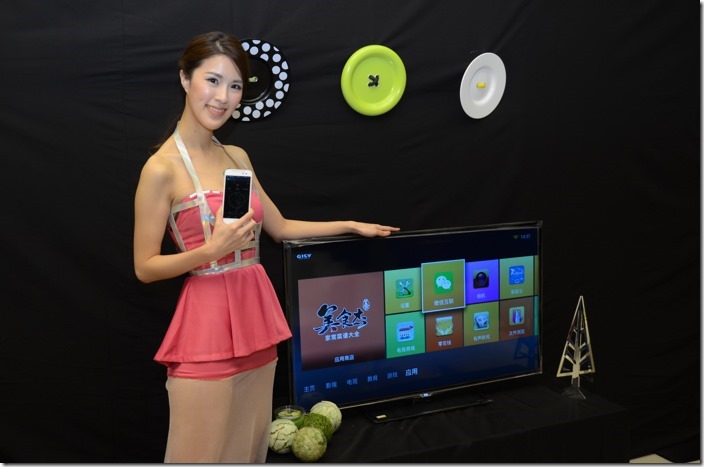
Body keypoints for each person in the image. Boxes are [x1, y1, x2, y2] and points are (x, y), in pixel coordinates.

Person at [133, 31, 399, 463]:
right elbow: (144, 267)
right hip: (206, 330)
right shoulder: (160, 169)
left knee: (249, 450)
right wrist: (209, 251)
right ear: (185, 78)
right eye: (213, 80)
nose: (223, 97)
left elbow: (281, 227)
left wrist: (349, 225)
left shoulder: (237, 156)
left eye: (235, 86)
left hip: (257, 324)